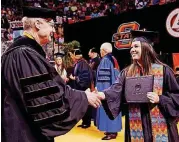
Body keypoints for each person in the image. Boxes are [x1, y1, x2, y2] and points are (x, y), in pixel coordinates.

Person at [1, 7, 103, 142]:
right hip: (25, 132)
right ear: (37, 24)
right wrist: (83, 97)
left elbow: (48, 88)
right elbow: (46, 100)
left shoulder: (21, 52)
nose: (54, 30)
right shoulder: (24, 54)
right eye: (51, 25)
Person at [94, 30, 179, 142]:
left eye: (136, 46)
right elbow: (116, 89)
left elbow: (176, 95)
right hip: (135, 123)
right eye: (131, 47)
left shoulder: (163, 70)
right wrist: (102, 94)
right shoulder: (127, 72)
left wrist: (160, 99)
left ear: (146, 48)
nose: (132, 50)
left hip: (160, 124)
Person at [95, 42, 122, 140]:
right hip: (114, 88)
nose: (100, 52)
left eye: (101, 50)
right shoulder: (113, 59)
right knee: (113, 109)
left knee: (108, 109)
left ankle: (112, 132)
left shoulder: (106, 60)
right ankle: (111, 130)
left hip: (107, 89)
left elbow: (104, 79)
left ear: (104, 51)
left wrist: (100, 89)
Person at [69, 48, 94, 128]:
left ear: (76, 55)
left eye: (72, 55)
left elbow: (84, 77)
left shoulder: (82, 63)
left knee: (86, 105)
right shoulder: (79, 63)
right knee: (82, 104)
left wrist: (75, 78)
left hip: (84, 88)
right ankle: (84, 121)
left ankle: (87, 122)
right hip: (81, 88)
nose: (72, 57)